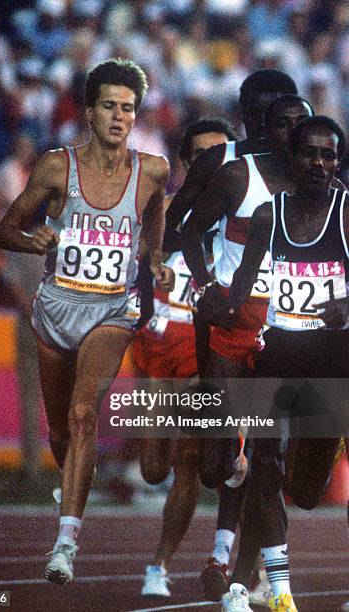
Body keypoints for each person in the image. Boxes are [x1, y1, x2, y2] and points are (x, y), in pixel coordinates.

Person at [0, 58, 174, 585]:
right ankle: (71, 481)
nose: (120, 117)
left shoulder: (152, 169)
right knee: (60, 433)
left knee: (80, 414)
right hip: (55, 308)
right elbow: (5, 230)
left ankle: (65, 542)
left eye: (128, 108)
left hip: (112, 310)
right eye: (110, 107)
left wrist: (155, 254)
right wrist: (35, 240)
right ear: (89, 112)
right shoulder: (56, 167)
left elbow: (157, 207)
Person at [181, 94, 314, 603]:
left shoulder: (329, 192)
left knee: (270, 462)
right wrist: (208, 287)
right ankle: (230, 455)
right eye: (282, 124)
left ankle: (242, 581)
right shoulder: (240, 177)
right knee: (217, 467)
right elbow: (189, 230)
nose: (292, 134)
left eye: (300, 126)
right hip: (237, 317)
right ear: (266, 129)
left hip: (288, 332)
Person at [219, 116, 348, 611]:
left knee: (306, 490)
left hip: (332, 360)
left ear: (337, 162)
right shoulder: (269, 216)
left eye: (328, 155)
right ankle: (280, 592)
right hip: (278, 353)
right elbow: (243, 285)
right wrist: (214, 297)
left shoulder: (346, 212)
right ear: (291, 160)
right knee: (265, 463)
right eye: (309, 153)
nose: (318, 163)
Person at [133, 118, 236, 598]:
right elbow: (136, 275)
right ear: (185, 163)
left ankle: (160, 563)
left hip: (209, 351)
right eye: (202, 157)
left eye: (222, 155)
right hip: (159, 350)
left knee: (188, 459)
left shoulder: (242, 216)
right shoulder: (163, 212)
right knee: (154, 466)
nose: (213, 166)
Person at [164, 69, 298, 252]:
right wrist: (210, 252)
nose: (262, 124)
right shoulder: (215, 161)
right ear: (242, 114)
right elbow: (166, 232)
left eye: (271, 115)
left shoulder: (313, 166)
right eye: (254, 114)